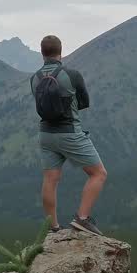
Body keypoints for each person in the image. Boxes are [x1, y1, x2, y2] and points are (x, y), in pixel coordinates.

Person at [30, 34, 106, 236]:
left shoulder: (35, 78)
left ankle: (53, 228)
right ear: (60, 52)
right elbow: (84, 102)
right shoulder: (72, 75)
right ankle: (82, 219)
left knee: (50, 179)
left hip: (45, 134)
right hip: (69, 132)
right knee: (98, 174)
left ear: (42, 52)